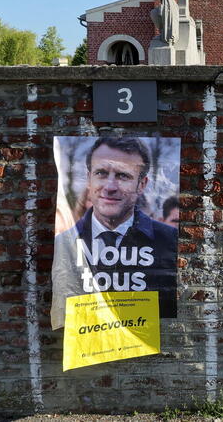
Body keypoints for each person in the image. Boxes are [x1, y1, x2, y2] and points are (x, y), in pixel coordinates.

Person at [51, 136, 178, 329]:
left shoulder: (171, 242)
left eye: (122, 176)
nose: (110, 187)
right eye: (101, 173)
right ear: (88, 179)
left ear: (142, 184)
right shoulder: (62, 244)